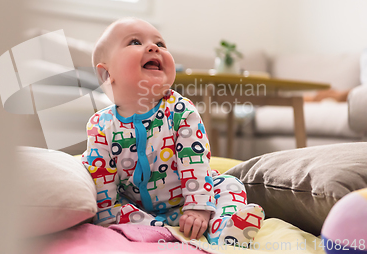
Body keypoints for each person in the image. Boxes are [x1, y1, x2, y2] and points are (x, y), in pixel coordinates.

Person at [81, 17, 264, 246]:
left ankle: (223, 228)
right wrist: (106, 214)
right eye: (135, 42)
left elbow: (195, 161)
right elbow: (103, 186)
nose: (153, 47)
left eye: (161, 43)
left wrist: (197, 207)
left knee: (229, 184)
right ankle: (157, 232)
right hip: (138, 210)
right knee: (110, 211)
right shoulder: (100, 126)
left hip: (188, 201)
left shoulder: (180, 111)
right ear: (106, 75)